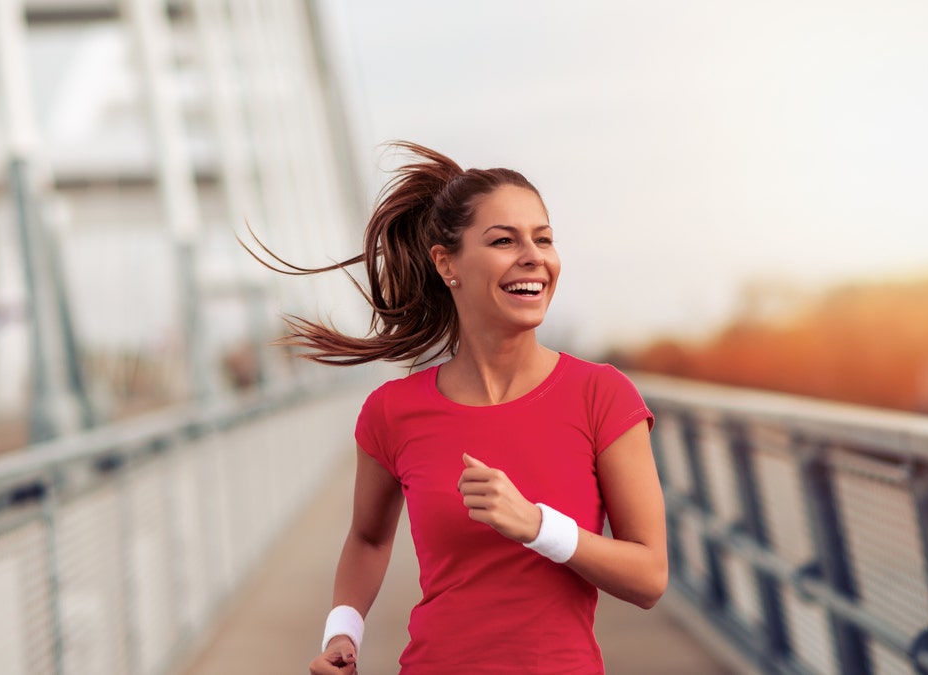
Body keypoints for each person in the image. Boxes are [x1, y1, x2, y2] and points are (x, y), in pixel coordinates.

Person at [262, 142, 667, 674]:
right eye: (504, 240)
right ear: (446, 263)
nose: (534, 257)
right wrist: (343, 631)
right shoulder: (392, 411)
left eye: (543, 239)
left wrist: (537, 525)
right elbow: (368, 536)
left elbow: (649, 577)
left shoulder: (602, 395)